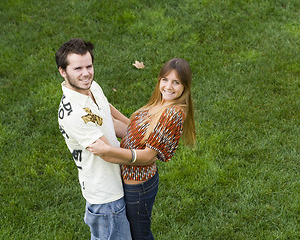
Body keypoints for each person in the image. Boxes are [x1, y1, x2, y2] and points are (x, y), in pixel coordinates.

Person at [87, 58, 196, 240]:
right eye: (165, 80)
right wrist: (105, 106)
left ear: (185, 86)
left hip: (138, 188)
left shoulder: (172, 114)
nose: (168, 86)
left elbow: (147, 157)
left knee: (140, 236)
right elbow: (133, 131)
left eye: (176, 82)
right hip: (131, 183)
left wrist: (107, 151)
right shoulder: (159, 103)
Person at [56, 38, 154, 239]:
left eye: (89, 66)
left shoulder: (91, 88)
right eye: (78, 69)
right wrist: (143, 156)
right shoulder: (73, 113)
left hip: (116, 185)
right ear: (63, 72)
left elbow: (106, 114)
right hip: (106, 198)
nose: (86, 73)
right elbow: (108, 153)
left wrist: (137, 130)